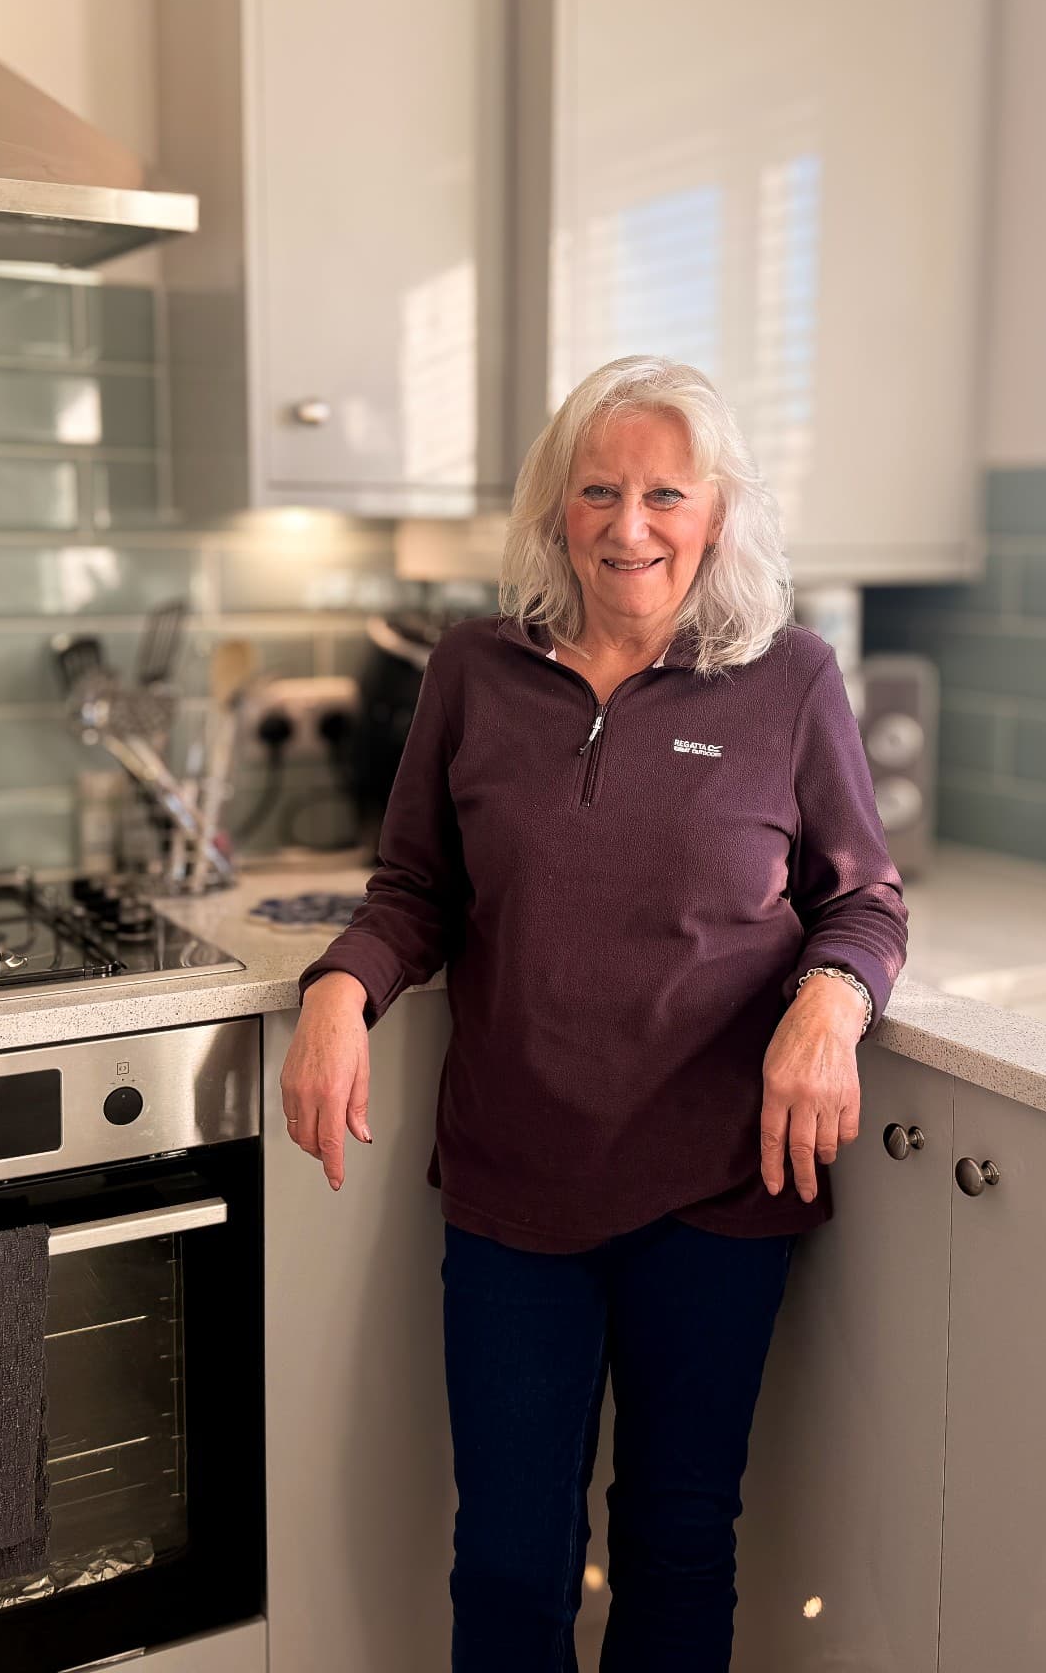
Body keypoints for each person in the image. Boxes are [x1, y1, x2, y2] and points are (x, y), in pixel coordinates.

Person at [285, 354, 908, 1671]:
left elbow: (864, 900)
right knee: (508, 1562)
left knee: (680, 1545)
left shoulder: (789, 678)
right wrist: (340, 988)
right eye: (599, 492)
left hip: (717, 1190)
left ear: (717, 513)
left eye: (666, 494)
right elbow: (412, 889)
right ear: (555, 511)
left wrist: (829, 1006)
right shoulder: (473, 670)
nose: (632, 527)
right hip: (519, 1186)